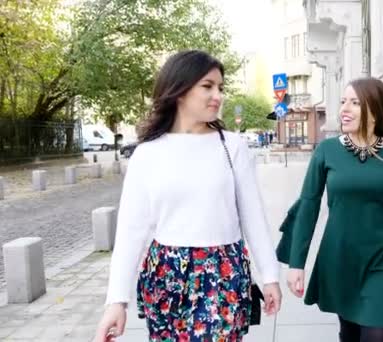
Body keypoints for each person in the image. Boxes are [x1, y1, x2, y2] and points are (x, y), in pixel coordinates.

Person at [94, 50, 282, 342]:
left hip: (223, 273)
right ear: (179, 90)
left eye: (220, 87)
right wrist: (116, 302)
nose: (217, 95)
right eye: (207, 86)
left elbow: (253, 216)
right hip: (167, 275)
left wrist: (269, 276)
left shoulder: (232, 147)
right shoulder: (148, 153)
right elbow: (131, 230)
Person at [284, 77, 383, 342]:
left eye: (354, 103)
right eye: (342, 102)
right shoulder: (327, 151)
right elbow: (308, 205)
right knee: (349, 335)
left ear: (375, 110)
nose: (344, 110)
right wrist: (296, 263)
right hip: (341, 259)